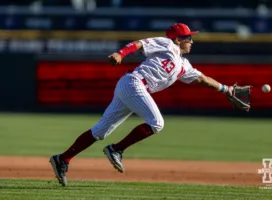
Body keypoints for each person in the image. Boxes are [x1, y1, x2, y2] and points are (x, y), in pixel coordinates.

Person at [49, 23, 234, 186]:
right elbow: (140, 44)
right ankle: (116, 149)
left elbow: (203, 79)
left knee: (100, 131)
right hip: (134, 84)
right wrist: (120, 54)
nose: (191, 41)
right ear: (178, 39)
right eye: (188, 37)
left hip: (132, 88)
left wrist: (227, 90)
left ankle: (62, 159)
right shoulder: (168, 44)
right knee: (157, 123)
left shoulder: (184, 65)